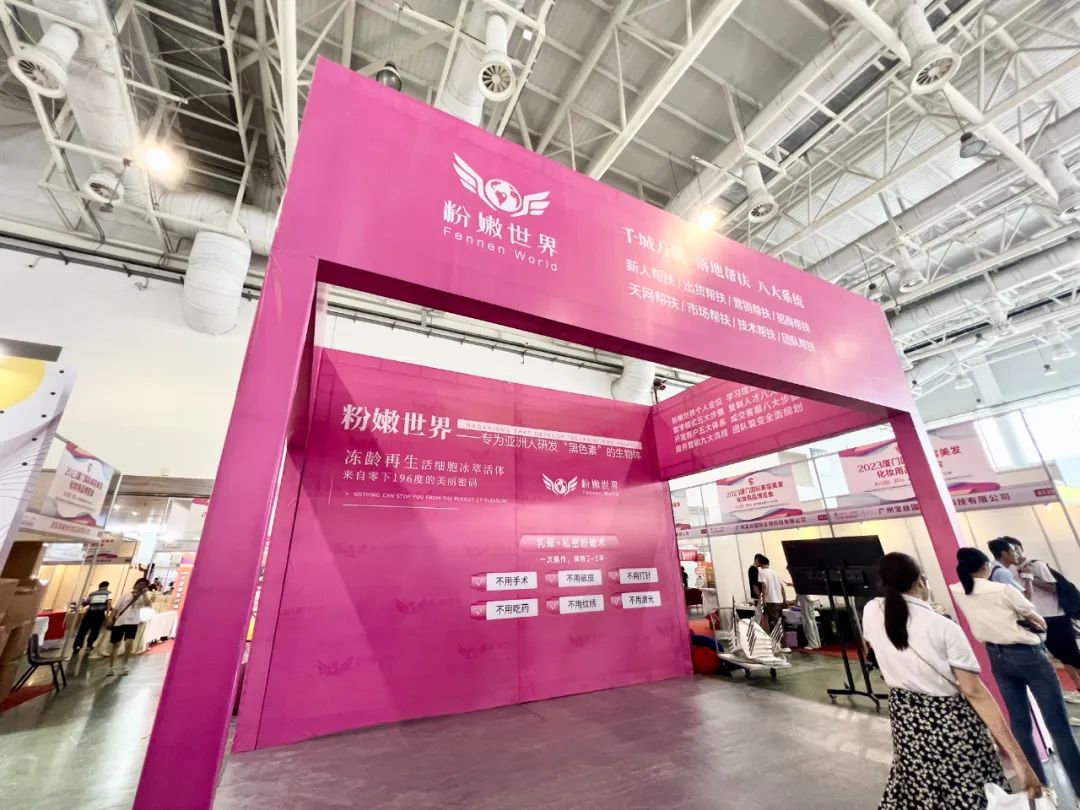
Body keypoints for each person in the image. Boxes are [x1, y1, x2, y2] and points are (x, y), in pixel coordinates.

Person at [863, 553, 1040, 808]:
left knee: (920, 786)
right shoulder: (943, 627)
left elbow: (873, 645)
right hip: (951, 723)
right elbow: (974, 692)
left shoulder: (871, 610)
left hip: (906, 718)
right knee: (969, 790)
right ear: (920, 581)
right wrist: (1019, 760)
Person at [951, 547, 1080, 795]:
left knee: (1019, 723)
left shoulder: (958, 590)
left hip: (996, 657)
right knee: (1058, 724)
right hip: (1028, 655)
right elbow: (1038, 620)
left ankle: (1039, 789)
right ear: (986, 566)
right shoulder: (1002, 589)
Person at [1012, 540, 1080, 706]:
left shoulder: (1036, 565)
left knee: (1073, 656)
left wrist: (1029, 577)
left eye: (1016, 549)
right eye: (1010, 550)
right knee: (1062, 657)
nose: (1014, 553)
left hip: (1056, 616)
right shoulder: (1011, 570)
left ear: (1021, 549)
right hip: (1039, 617)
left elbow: (1054, 588)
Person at [107, 578, 153, 676]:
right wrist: (110, 618)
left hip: (133, 623)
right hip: (120, 622)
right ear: (136, 584)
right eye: (140, 584)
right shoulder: (126, 595)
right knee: (116, 645)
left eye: (143, 585)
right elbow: (116, 608)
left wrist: (144, 594)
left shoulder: (143, 597)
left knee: (129, 645)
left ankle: (124, 666)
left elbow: (148, 605)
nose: (141, 586)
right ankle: (111, 667)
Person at [73, 581, 111, 654]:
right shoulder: (108, 593)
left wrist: (84, 601)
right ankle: (89, 645)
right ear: (106, 586)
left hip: (89, 613)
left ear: (99, 586)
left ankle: (77, 646)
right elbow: (109, 603)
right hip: (99, 614)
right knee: (95, 631)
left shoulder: (92, 593)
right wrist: (107, 614)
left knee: (82, 630)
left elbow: (84, 603)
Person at [757, 557, 785, 632]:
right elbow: (782, 587)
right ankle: (780, 638)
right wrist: (784, 600)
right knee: (779, 622)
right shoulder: (776, 572)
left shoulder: (762, 572)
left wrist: (764, 600)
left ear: (760, 563)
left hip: (771, 600)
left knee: (775, 623)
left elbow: (764, 585)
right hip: (779, 600)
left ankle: (781, 639)